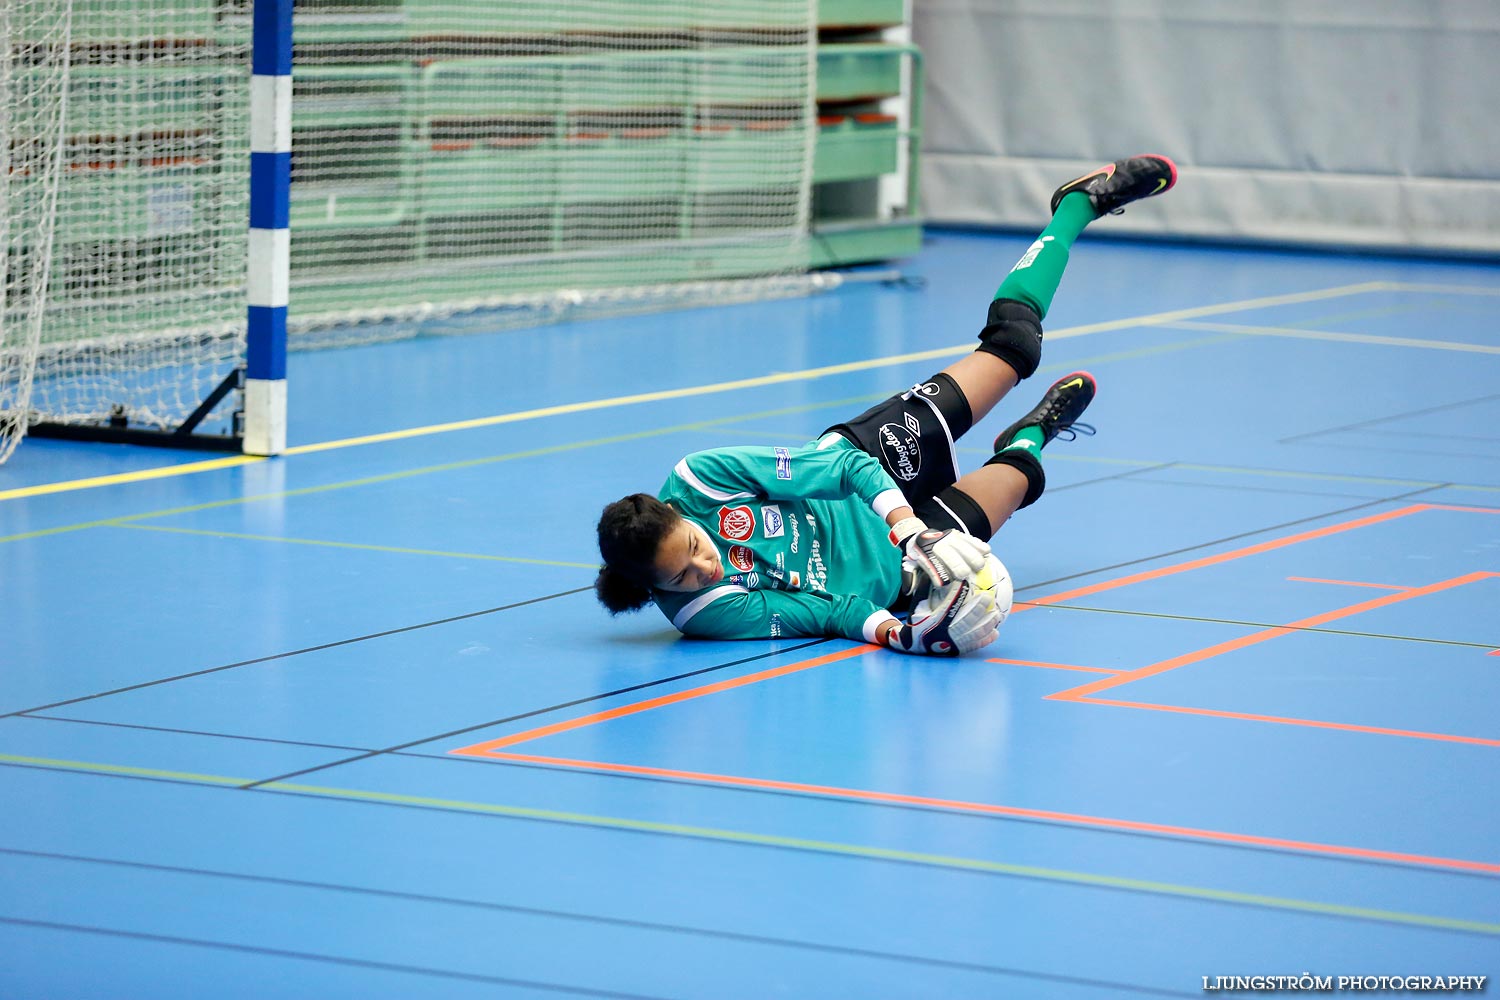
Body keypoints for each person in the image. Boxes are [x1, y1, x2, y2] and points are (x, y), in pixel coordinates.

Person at [595, 155, 1177, 656]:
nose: (704, 569)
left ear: (679, 514)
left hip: (871, 467)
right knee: (1019, 476)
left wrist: (905, 527)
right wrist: (902, 634)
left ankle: (1075, 206)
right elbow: (827, 612)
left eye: (696, 548)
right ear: (654, 589)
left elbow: (843, 469)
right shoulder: (703, 614)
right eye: (680, 577)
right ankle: (1029, 437)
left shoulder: (700, 479)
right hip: (897, 575)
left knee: (1012, 348)